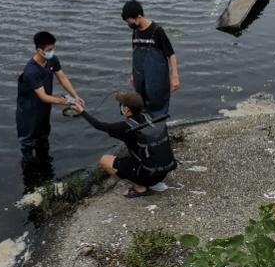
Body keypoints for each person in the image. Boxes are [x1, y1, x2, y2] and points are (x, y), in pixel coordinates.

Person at [71, 91, 176, 197]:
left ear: (126, 109)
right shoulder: (151, 117)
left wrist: (82, 112)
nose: (120, 107)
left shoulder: (124, 127)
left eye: (121, 105)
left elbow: (99, 125)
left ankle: (140, 187)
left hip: (146, 175)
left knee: (104, 160)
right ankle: (150, 181)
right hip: (162, 172)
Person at [16, 31, 83, 163]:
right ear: (39, 50)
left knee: (43, 135)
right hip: (29, 108)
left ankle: (45, 163)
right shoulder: (31, 71)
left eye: (53, 49)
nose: (51, 52)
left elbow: (62, 78)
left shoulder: (52, 59)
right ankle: (28, 164)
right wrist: (65, 101)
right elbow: (42, 96)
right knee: (29, 139)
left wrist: (75, 96)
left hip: (44, 107)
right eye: (49, 50)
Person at [121, 0, 180, 116]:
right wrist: (133, 73)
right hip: (140, 76)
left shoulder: (157, 31)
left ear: (138, 17)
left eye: (130, 21)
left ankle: (158, 126)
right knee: (141, 103)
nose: (129, 24)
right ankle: (144, 124)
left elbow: (171, 55)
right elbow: (135, 53)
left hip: (156, 76)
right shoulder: (136, 31)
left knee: (157, 103)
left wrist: (174, 76)